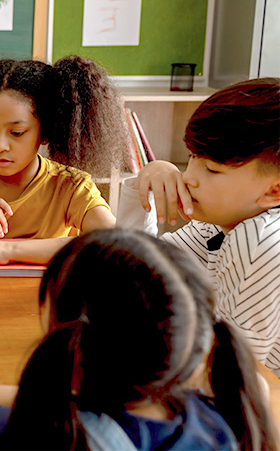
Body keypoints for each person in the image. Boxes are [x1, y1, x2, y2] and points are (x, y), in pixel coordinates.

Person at [0, 229, 278, 450]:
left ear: (72, 348)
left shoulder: (51, 435)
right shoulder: (232, 417)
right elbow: (258, 385)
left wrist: (55, 393)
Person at [117, 78, 280, 376]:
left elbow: (233, 369)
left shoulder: (261, 242)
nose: (189, 177)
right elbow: (132, 270)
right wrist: (144, 184)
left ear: (274, 191)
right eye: (193, 157)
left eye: (212, 169)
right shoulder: (219, 223)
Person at [0, 56, 126, 267]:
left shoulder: (71, 187)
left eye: (17, 133)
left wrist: (7, 249)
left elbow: (114, 242)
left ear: (46, 131)